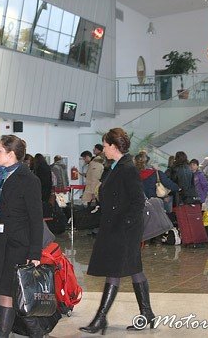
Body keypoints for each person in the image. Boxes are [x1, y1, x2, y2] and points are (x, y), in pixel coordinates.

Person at [80, 128, 155, 334]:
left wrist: (125, 224)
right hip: (116, 226)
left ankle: (100, 318)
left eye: (105, 146)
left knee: (115, 269)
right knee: (133, 268)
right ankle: (147, 313)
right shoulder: (114, 167)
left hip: (123, 229)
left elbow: (137, 201)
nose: (103, 150)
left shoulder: (127, 168)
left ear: (113, 147)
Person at [0, 135, 43, 338]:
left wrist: (35, 252)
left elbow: (36, 218)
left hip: (19, 243)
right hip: (1, 241)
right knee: (3, 290)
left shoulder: (29, 180)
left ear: (11, 154)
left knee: (11, 291)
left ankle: (25, 333)